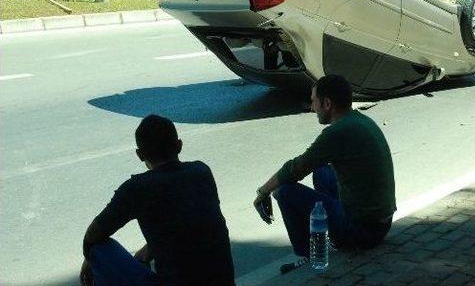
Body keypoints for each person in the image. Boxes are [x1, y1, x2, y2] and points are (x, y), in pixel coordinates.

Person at [253, 75, 396, 273]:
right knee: (322, 172)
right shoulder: (358, 120)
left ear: (327, 103)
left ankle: (310, 254)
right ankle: (334, 235)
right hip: (380, 222)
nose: (312, 108)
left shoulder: (337, 132)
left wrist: (263, 191)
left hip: (364, 231)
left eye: (314, 101)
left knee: (284, 191)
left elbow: (296, 168)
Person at [80, 115, 235, 285]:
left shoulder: (137, 188)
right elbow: (190, 225)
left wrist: (90, 258)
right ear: (179, 145)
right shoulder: (202, 171)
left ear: (139, 155)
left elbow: (92, 236)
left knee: (98, 249)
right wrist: (149, 250)